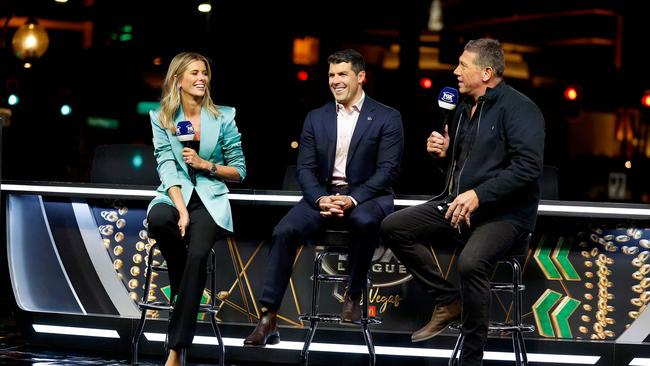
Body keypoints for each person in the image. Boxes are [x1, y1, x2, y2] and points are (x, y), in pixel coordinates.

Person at [380, 38, 545, 365]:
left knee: (470, 263)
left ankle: (471, 360)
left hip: (505, 216)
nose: (454, 72)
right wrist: (443, 156)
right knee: (393, 226)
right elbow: (466, 167)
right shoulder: (461, 108)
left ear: (486, 72)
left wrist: (479, 194)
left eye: (462, 66)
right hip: (456, 204)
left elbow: (528, 167)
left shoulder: (520, 108)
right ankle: (447, 299)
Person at [244, 49, 404, 346]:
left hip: (368, 196)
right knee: (284, 230)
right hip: (324, 196)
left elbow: (387, 172)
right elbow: (304, 169)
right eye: (331, 75)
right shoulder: (316, 118)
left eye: (342, 74)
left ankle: (353, 295)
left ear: (361, 77)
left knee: (365, 221)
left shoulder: (387, 117)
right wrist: (320, 199)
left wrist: (352, 199)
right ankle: (268, 316)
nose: (335, 81)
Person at [146, 52, 246, 366]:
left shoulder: (224, 116)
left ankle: (176, 349)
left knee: (198, 255)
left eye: (204, 72)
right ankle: (182, 285)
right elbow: (166, 165)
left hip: (210, 198)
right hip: (176, 195)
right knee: (160, 218)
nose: (201, 78)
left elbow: (240, 170)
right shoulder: (161, 116)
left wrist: (206, 165)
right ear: (177, 79)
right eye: (194, 73)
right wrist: (181, 209)